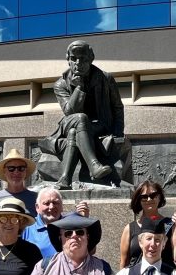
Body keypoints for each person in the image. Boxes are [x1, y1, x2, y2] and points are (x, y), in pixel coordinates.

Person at [38, 40, 127, 189]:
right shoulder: (61, 84)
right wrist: (79, 87)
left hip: (99, 125)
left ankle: (65, 179)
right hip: (70, 122)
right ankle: (94, 166)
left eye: (83, 59)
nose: (78, 63)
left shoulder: (106, 79)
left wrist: (118, 132)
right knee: (81, 118)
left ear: (91, 59)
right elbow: (69, 111)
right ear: (68, 60)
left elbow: (117, 107)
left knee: (74, 133)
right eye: (74, 58)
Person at [118, 180, 176, 269]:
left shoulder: (170, 225)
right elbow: (124, 262)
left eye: (153, 195)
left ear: (159, 197)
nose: (149, 199)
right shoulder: (130, 228)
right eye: (144, 197)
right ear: (139, 200)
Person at [23, 187, 91, 261]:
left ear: (62, 206)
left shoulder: (70, 225)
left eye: (55, 203)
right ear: (37, 207)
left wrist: (84, 222)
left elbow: (91, 251)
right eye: (47, 203)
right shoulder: (27, 227)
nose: (51, 207)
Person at [0, 149, 39, 229]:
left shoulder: (36, 199)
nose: (16, 172)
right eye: (11, 168)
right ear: (4, 171)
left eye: (21, 168)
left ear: (25, 171)